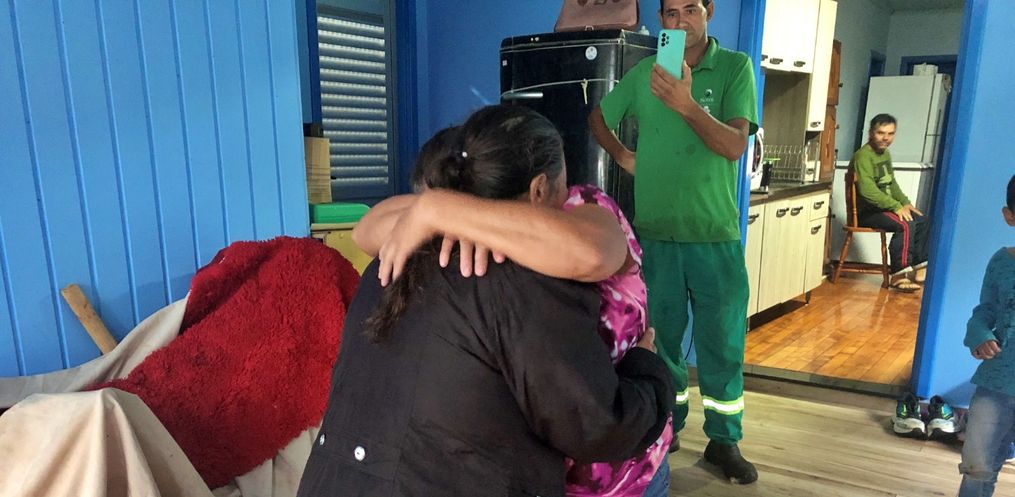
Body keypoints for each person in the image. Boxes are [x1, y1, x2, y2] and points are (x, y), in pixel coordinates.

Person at [295, 105, 674, 497]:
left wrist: (438, 210)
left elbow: (591, 252)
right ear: (539, 189)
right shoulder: (512, 276)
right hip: (610, 457)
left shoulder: (393, 258)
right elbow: (596, 425)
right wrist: (648, 368)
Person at [588, 0, 759, 484]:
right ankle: (667, 423)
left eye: (690, 10)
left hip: (715, 236)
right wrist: (622, 154)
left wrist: (686, 105)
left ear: (709, 12)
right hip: (655, 236)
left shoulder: (735, 68)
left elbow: (733, 146)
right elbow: (598, 117)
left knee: (722, 344)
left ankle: (724, 441)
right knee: (659, 342)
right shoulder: (646, 73)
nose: (679, 21)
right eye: (670, 13)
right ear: (661, 20)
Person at [957, 174, 1015, 497]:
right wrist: (978, 333)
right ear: (1010, 217)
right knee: (977, 467)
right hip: (996, 383)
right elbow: (985, 311)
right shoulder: (1001, 262)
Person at [849, 113, 931, 292]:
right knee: (905, 224)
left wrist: (905, 203)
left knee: (922, 219)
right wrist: (895, 206)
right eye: (881, 133)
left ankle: (920, 269)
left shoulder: (885, 154)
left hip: (884, 209)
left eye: (890, 133)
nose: (886, 138)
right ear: (871, 133)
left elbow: (891, 184)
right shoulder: (863, 156)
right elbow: (867, 191)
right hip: (869, 211)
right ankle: (898, 274)